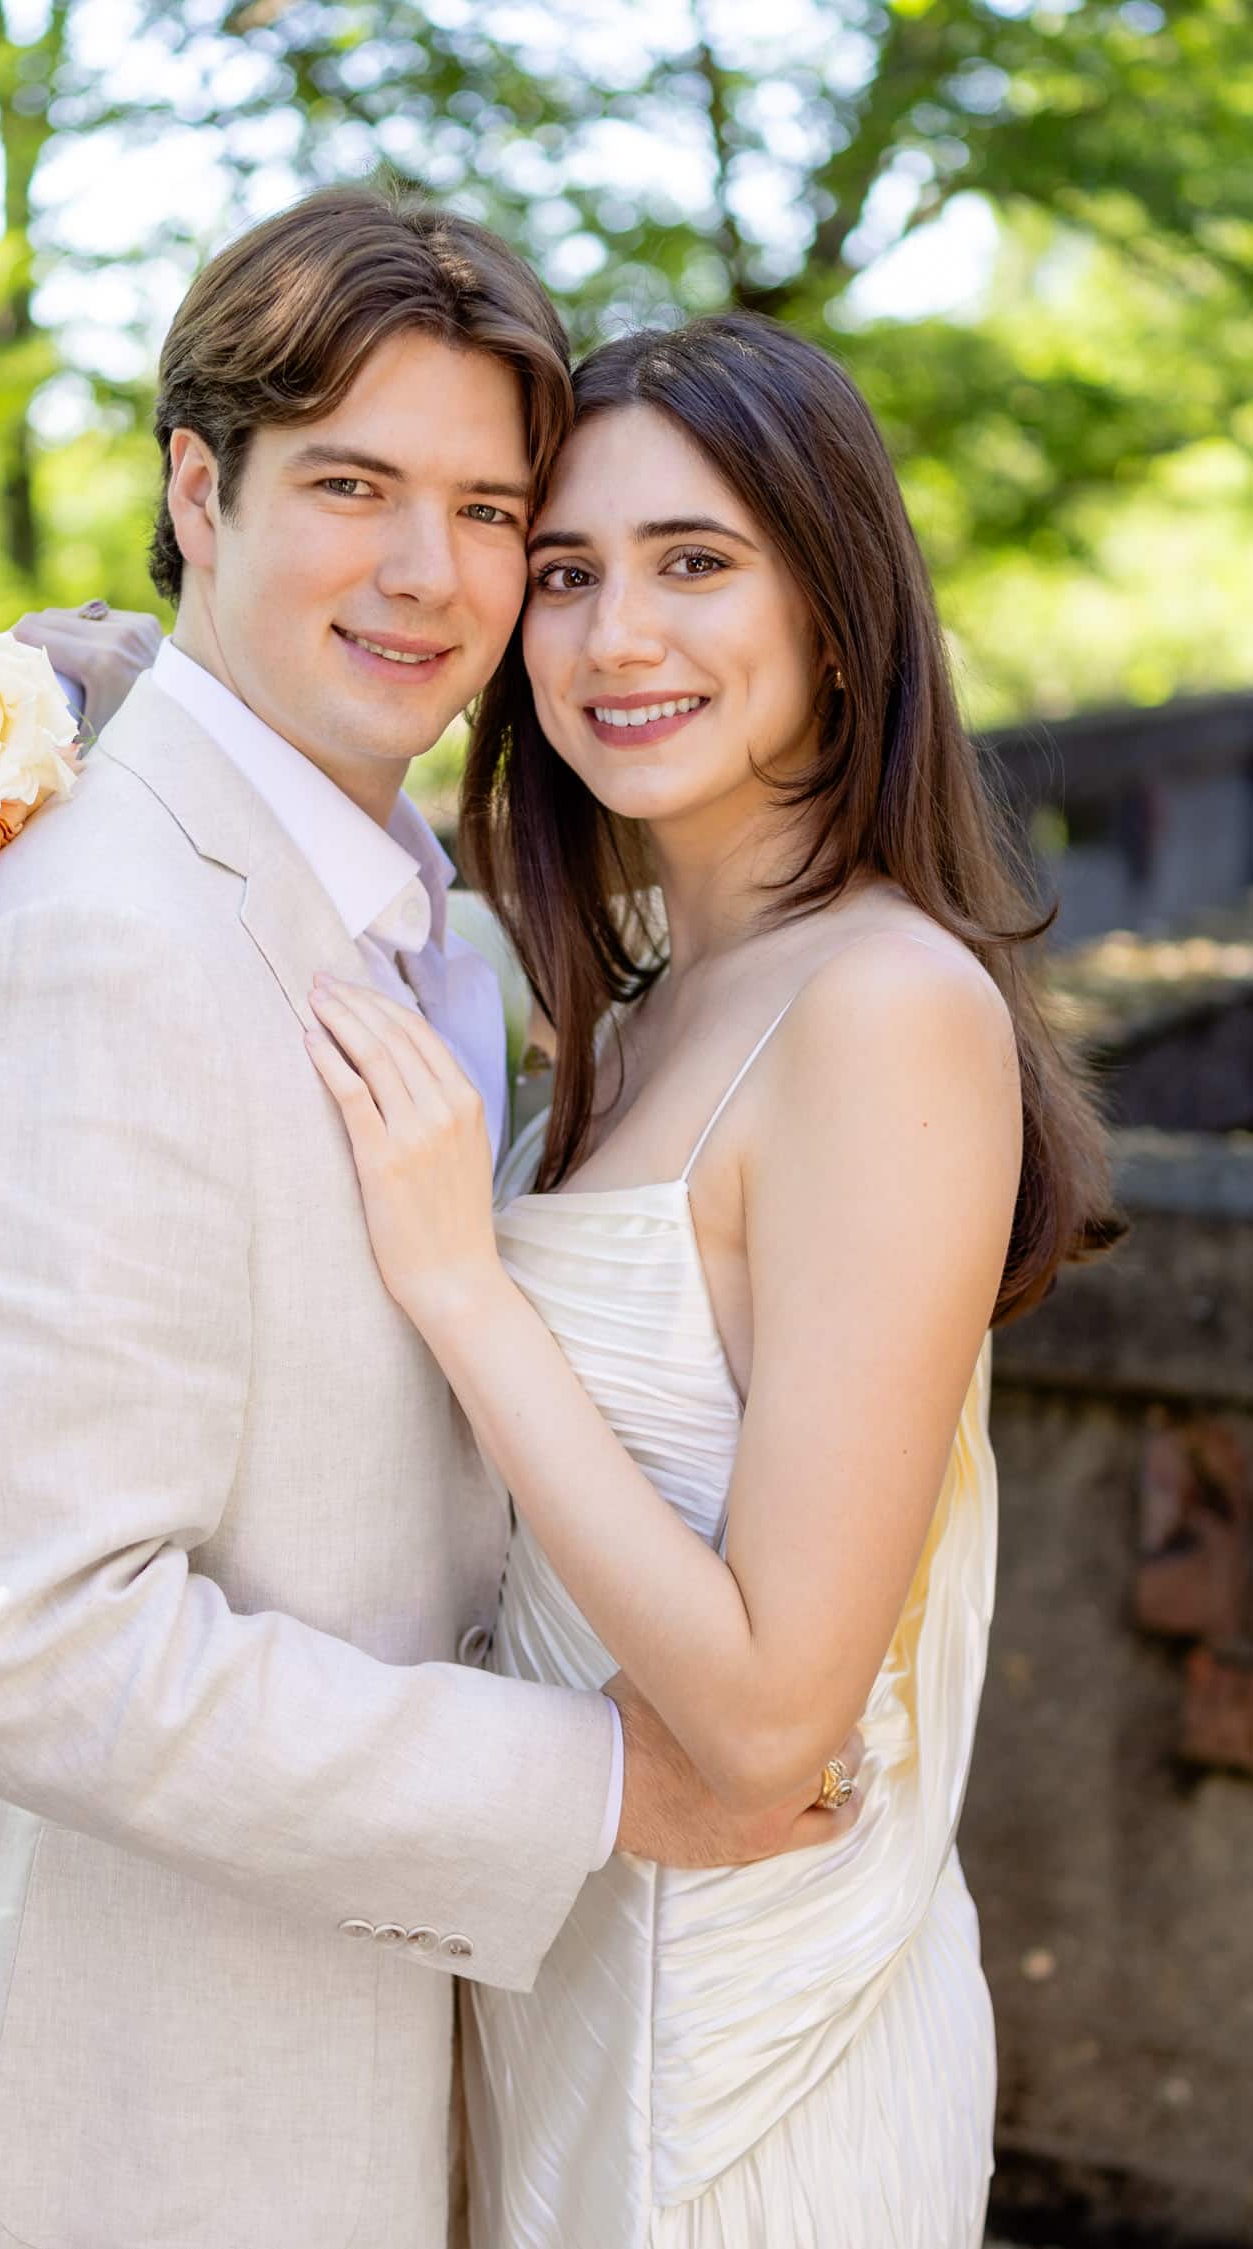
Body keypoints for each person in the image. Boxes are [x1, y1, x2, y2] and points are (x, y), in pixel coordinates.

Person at [0, 194, 861, 2249]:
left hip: (426, 2040)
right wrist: (599, 1783)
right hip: (162, 2096)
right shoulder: (97, 940)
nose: (429, 573)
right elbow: (32, 1641)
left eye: (489, 511)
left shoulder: (423, 923)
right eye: (351, 485)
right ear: (197, 493)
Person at [306, 312, 1121, 2246]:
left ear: (834, 612)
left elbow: (769, 1721)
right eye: (565, 571)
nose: (616, 638)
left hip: (742, 2064)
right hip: (570, 1994)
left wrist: (462, 1283)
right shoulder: (656, 993)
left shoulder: (887, 1005)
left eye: (694, 561)